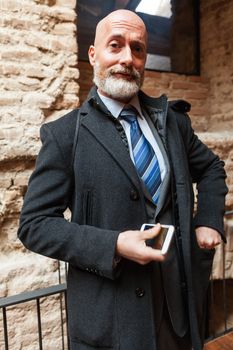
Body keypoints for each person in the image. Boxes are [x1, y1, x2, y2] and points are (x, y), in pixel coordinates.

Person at [18, 9, 228, 350]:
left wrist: (208, 221)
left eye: (138, 48)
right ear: (93, 54)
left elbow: (212, 169)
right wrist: (113, 245)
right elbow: (34, 225)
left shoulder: (173, 122)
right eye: (115, 45)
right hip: (112, 322)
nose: (127, 58)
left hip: (178, 310)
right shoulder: (64, 135)